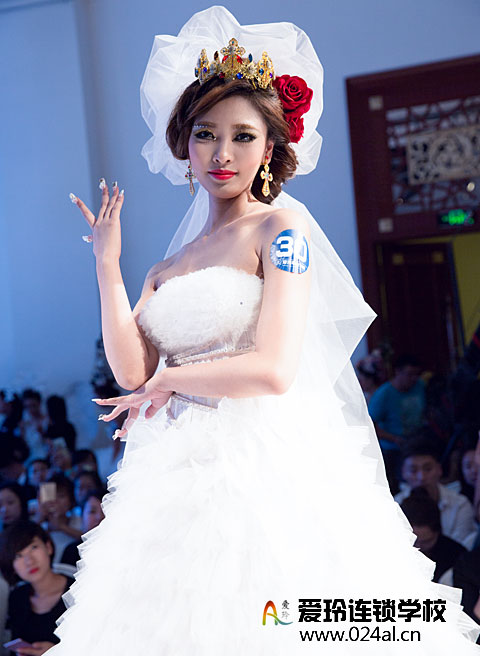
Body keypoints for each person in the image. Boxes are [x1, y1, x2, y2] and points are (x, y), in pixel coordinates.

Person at [49, 7, 480, 654]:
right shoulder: (166, 267)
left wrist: (172, 381)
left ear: (270, 149)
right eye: (205, 134)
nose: (222, 154)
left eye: (243, 136)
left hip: (261, 459)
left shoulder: (282, 229)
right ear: (184, 145)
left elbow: (275, 368)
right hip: (173, 472)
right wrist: (108, 266)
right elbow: (132, 373)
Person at [0, 520, 74, 654]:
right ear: (12, 566)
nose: (29, 561)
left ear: (48, 547)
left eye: (33, 547)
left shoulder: (78, 592)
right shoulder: (17, 597)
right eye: (18, 556)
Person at [395, 440, 477, 548]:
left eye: (428, 469)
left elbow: (460, 548)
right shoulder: (393, 506)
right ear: (403, 472)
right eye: (413, 470)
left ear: (439, 469)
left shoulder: (460, 505)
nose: (421, 477)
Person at [368, 353, 426, 494]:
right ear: (398, 372)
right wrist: (394, 438)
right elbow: (369, 426)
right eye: (410, 374)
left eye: (417, 374)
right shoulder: (383, 395)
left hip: (416, 443)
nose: (414, 378)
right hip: (393, 449)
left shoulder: (419, 386)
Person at [400, 487, 467, 584]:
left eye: (426, 542)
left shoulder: (457, 556)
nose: (418, 547)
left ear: (438, 532)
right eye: (413, 541)